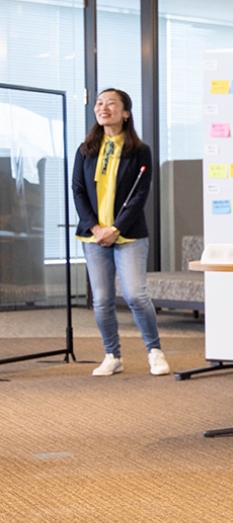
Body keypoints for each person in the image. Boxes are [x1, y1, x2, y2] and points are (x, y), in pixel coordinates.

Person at [72, 88, 167, 377]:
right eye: (99, 103)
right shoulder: (85, 149)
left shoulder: (140, 151)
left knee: (135, 295)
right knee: (100, 299)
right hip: (94, 236)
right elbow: (77, 191)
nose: (103, 107)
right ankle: (112, 355)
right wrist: (96, 227)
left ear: (126, 112)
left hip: (129, 235)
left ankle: (155, 352)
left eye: (111, 103)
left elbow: (140, 196)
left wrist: (116, 228)